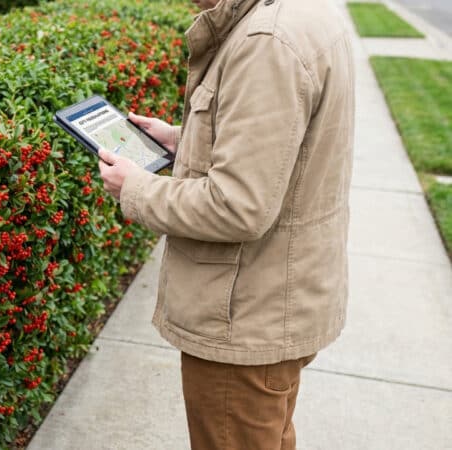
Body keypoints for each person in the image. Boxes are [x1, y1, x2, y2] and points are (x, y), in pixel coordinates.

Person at [97, 0, 354, 448]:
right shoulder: (301, 15)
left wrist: (135, 188)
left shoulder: (265, 41)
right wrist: (183, 140)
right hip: (274, 304)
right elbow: (281, 152)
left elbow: (237, 205)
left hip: (245, 316)